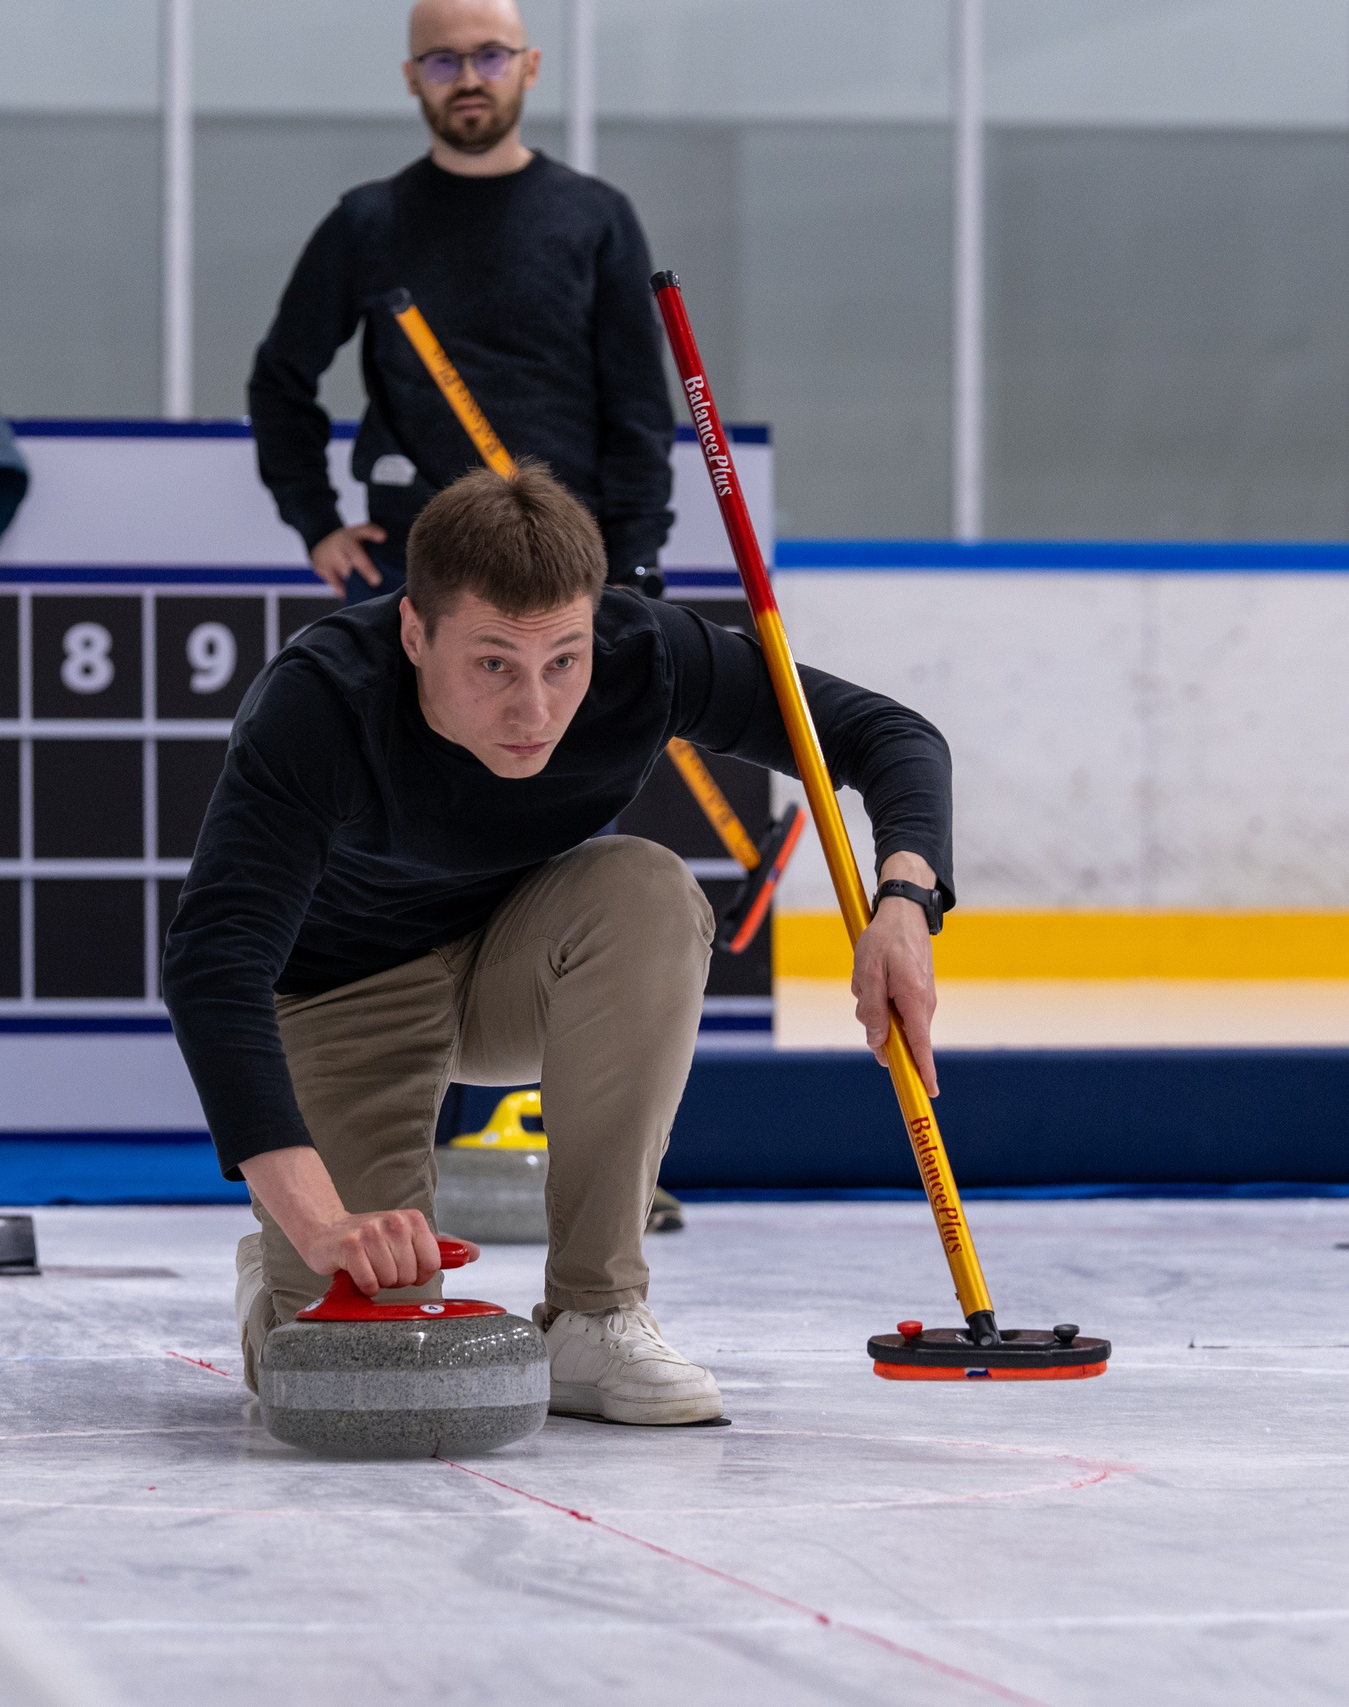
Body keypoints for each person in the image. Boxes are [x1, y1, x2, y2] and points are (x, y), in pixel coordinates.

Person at [162, 465, 954, 1424]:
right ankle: (271, 1278)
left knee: (650, 892)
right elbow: (214, 962)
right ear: (415, 632)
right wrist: (315, 1216)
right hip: (342, 992)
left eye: (562, 662)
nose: (535, 709)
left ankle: (593, 1313)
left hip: (512, 961)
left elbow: (890, 734)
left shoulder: (639, 652)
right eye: (492, 663)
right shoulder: (321, 704)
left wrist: (904, 901)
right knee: (362, 1367)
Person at [248, 0, 677, 605]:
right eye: (444, 61)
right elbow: (279, 383)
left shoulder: (597, 218)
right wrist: (316, 522)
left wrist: (634, 565)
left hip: (571, 563)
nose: (470, 79)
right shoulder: (367, 223)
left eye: (491, 57)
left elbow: (639, 411)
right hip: (413, 569)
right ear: (412, 77)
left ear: (530, 67)